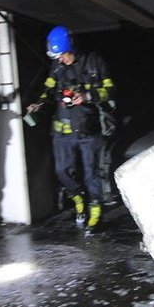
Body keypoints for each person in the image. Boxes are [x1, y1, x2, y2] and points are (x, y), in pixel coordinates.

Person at [26, 25, 115, 234]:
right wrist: (39, 103)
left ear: (71, 49)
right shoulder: (56, 67)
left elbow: (109, 90)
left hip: (88, 128)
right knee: (61, 171)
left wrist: (87, 96)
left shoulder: (94, 62)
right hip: (63, 130)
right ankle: (78, 198)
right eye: (57, 57)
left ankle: (95, 215)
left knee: (92, 173)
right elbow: (48, 90)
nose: (60, 60)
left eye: (63, 56)